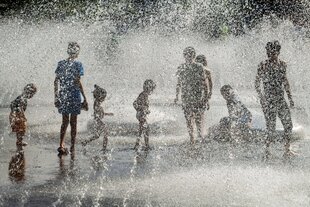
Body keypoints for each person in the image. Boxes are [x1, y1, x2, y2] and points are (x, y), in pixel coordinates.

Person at [254, 40, 294, 158]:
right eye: (267, 51)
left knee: (288, 124)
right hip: (268, 99)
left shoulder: (282, 64)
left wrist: (290, 97)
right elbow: (257, 82)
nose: (269, 54)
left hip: (280, 99)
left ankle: (287, 149)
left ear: (277, 52)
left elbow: (285, 81)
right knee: (270, 126)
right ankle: (267, 149)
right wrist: (261, 96)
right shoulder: (263, 65)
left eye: (271, 52)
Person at [54, 42, 88, 155]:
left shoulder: (61, 64)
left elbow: (56, 81)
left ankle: (61, 144)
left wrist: (56, 96)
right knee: (73, 122)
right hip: (74, 96)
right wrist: (85, 98)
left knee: (64, 121)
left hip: (64, 95)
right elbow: (77, 82)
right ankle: (73, 146)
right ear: (77, 53)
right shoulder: (78, 65)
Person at [175, 47, 209, 144]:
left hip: (197, 95)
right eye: (186, 54)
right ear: (184, 56)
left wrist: (205, 97)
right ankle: (191, 137)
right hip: (186, 95)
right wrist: (176, 96)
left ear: (194, 55)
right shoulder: (181, 67)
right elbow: (179, 83)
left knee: (197, 116)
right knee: (188, 117)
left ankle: (199, 134)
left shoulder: (199, 67)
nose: (189, 56)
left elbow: (204, 83)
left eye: (190, 55)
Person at [82, 85, 113, 151]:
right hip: (98, 120)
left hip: (97, 120)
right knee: (105, 132)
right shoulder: (96, 103)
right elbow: (96, 112)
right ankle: (104, 148)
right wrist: (98, 117)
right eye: (103, 97)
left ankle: (85, 142)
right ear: (100, 96)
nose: (104, 99)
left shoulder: (97, 103)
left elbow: (99, 112)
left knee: (97, 135)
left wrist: (107, 114)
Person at [133, 79, 156, 150]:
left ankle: (137, 145)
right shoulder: (144, 95)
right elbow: (135, 103)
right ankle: (146, 145)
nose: (152, 91)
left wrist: (143, 109)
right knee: (146, 130)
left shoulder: (143, 94)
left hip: (140, 114)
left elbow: (136, 103)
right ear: (148, 88)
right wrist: (144, 109)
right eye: (151, 89)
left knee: (141, 130)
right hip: (141, 114)